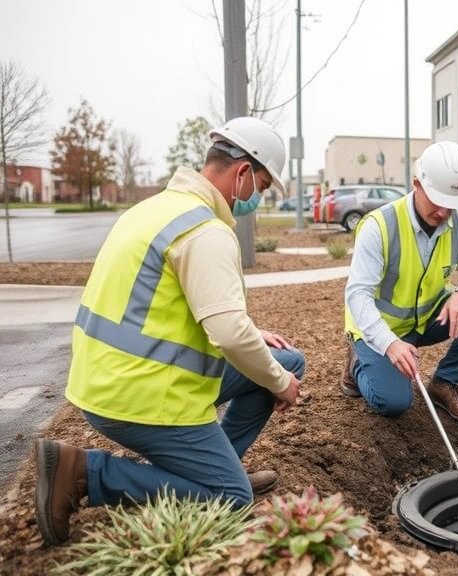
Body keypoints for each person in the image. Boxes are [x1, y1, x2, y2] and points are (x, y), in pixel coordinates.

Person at [34, 116, 305, 546]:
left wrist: (256, 338)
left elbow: (169, 304)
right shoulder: (206, 231)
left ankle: (215, 465)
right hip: (140, 393)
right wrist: (278, 382)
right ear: (241, 175)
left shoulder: (154, 210)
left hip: (107, 377)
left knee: (288, 360)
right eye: (264, 185)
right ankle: (86, 472)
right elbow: (230, 336)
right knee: (232, 498)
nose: (261, 197)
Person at [341, 140, 458, 422]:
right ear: (417, 184)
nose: (443, 214)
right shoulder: (379, 226)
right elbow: (357, 294)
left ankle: (444, 383)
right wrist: (390, 344)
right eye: (438, 202)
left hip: (426, 319)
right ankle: (357, 363)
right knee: (392, 402)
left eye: (451, 206)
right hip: (379, 329)